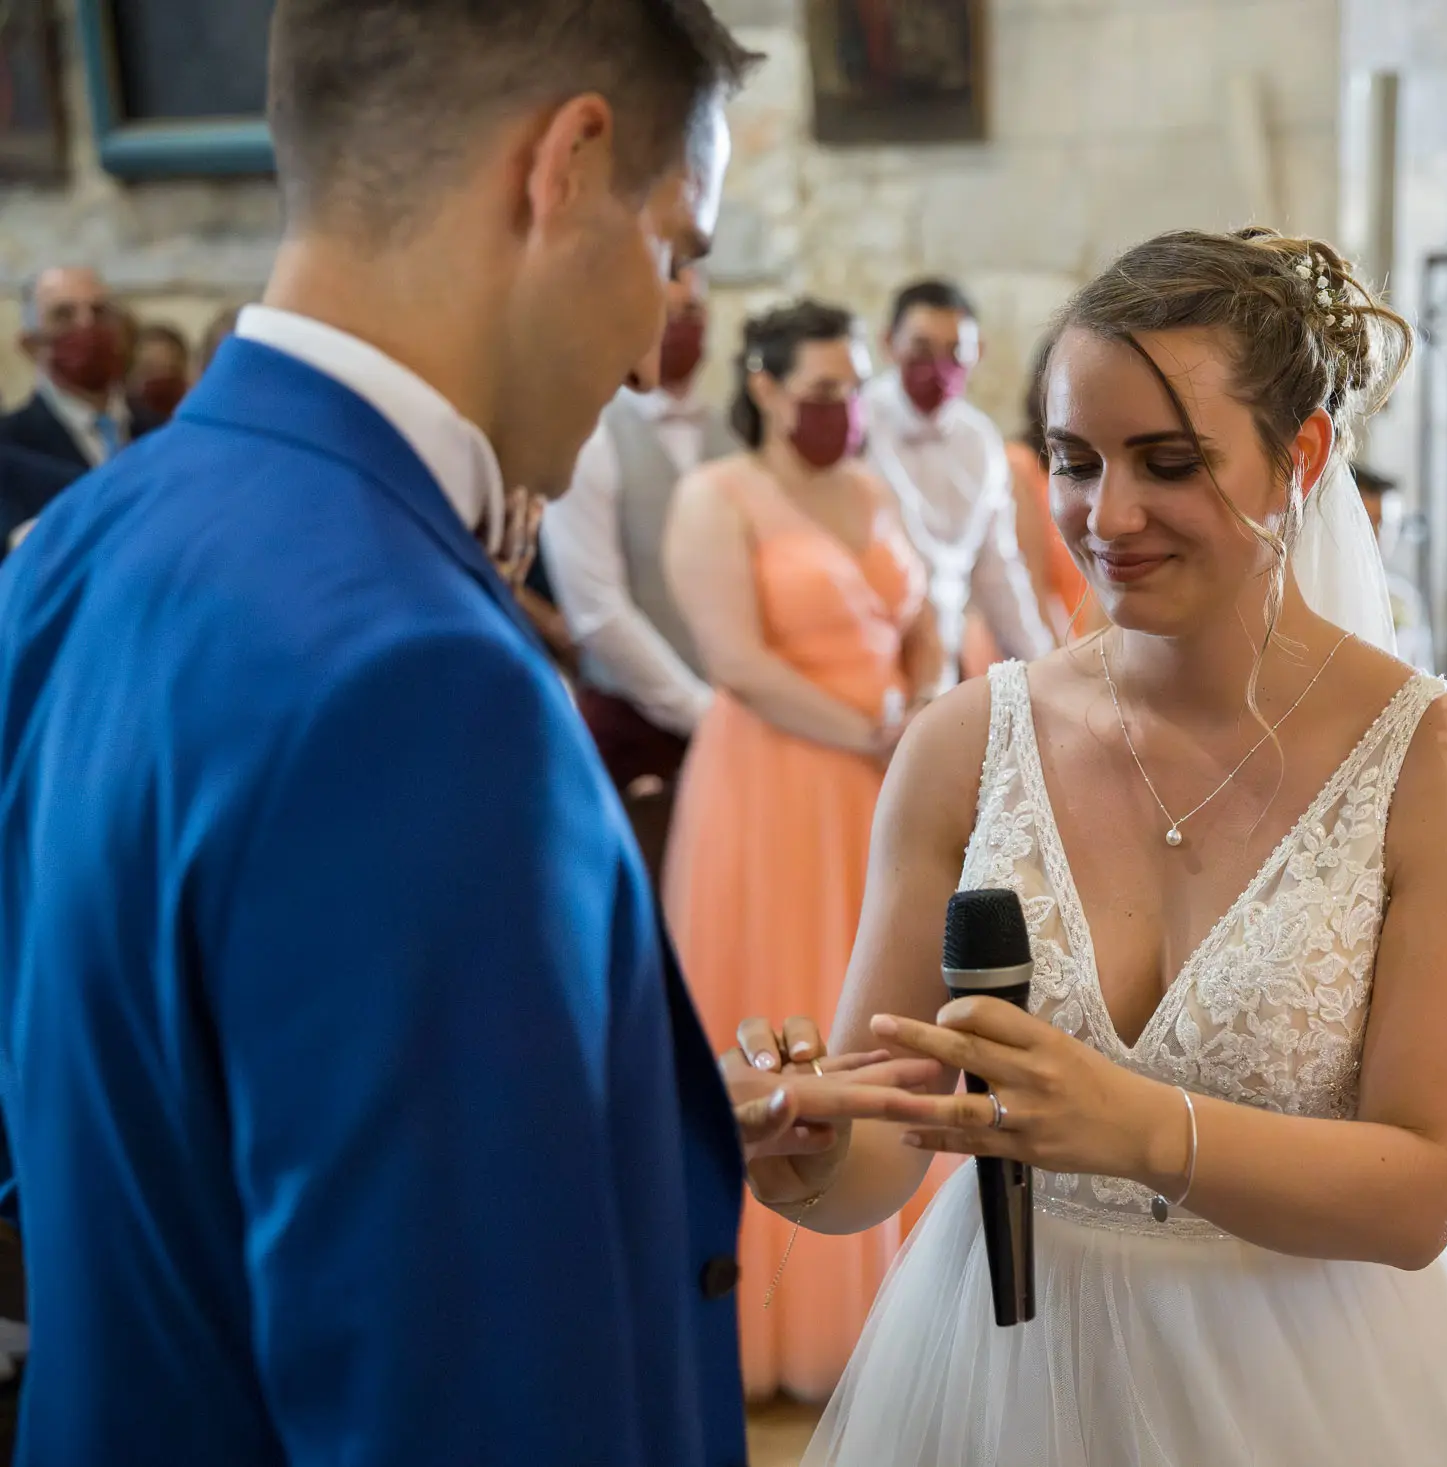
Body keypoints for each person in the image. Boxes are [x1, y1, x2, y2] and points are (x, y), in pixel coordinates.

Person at [0, 5, 940, 1465]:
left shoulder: (80, 541)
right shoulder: (419, 675)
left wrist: (617, 1121)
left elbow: (125, 1108)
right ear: (567, 166)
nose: (653, 353)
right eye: (674, 249)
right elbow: (467, 1389)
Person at [728, 227, 1447, 1465]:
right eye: (1073, 461)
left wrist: (1144, 1129)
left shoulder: (1443, 766)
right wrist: (810, 1156)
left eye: (1168, 463)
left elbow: (1420, 1192)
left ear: (1299, 457)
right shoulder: (963, 746)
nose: (1106, 516)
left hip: (1311, 1387)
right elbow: (889, 1140)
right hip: (1009, 1375)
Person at [659, 299, 944, 1402]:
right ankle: (779, 1324)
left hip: (884, 776)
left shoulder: (873, 485)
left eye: (853, 391)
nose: (844, 411)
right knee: (789, 994)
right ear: (766, 387)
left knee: (878, 1011)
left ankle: (897, 1302)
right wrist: (868, 731)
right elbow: (735, 660)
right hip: (774, 778)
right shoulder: (715, 497)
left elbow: (924, 610)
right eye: (823, 392)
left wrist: (919, 704)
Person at [542, 264, 733, 876]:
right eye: (668, 312)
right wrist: (700, 710)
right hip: (633, 727)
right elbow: (597, 610)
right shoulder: (593, 434)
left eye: (693, 312)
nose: (682, 327)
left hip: (739, 724)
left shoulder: (735, 432)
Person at [862, 277, 1053, 680]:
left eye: (954, 351)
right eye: (921, 348)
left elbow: (998, 569)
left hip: (944, 651)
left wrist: (1044, 668)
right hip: (867, 641)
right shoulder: (858, 425)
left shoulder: (979, 440)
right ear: (889, 343)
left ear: (977, 351)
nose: (937, 365)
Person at [999, 329, 1106, 644]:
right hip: (1040, 638)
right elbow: (1031, 586)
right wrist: (1070, 659)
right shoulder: (1019, 465)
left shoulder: (1109, 468)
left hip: (1095, 640)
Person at [1, 267, 133, 476]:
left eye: (99, 311)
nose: (87, 324)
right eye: (63, 315)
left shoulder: (161, 428)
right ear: (31, 345)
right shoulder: (9, 445)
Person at [1354, 463, 1434, 672]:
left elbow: (1422, 668)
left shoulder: (1403, 597)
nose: (1378, 534)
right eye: (1369, 521)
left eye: (1386, 524)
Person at [126, 321, 192, 433]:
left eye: (170, 370)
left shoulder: (197, 429)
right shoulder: (120, 431)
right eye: (149, 370)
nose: (160, 377)